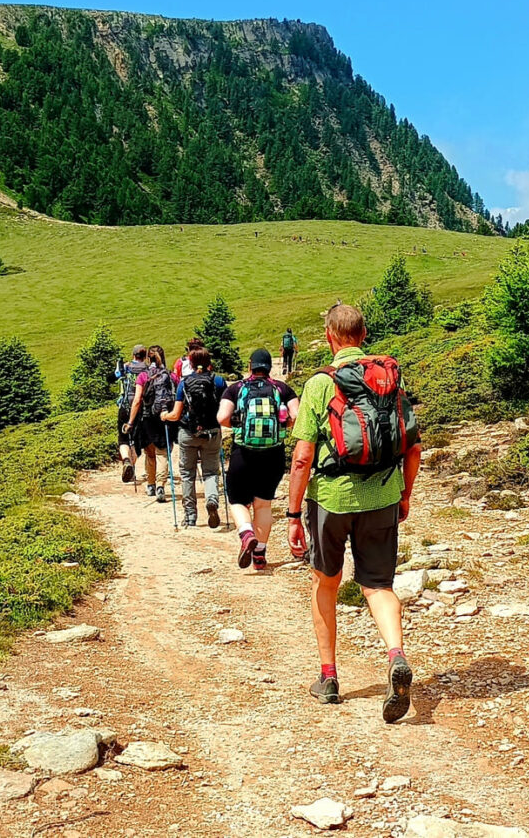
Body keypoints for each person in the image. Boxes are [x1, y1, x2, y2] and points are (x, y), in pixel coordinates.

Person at [284, 303, 422, 722]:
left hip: (331, 501)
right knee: (378, 586)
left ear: (330, 336)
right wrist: (404, 496)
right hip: (382, 496)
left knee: (326, 583)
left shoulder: (321, 385)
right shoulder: (389, 380)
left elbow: (303, 456)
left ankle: (328, 679)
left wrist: (292, 514)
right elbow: (413, 447)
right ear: (363, 335)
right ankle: (396, 655)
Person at [218, 348, 299, 571]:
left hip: (242, 453)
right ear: (269, 368)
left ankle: (246, 535)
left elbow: (222, 417)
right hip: (273, 455)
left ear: (250, 366)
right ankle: (260, 555)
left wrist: (237, 425)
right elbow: (296, 417)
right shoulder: (282, 388)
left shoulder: (236, 389)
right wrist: (283, 425)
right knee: (263, 505)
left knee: (236, 500)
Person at [162, 348, 226, 528]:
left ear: (190, 363)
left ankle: (190, 516)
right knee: (211, 472)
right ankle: (212, 500)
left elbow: (175, 414)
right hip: (212, 432)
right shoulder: (219, 381)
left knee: (187, 474)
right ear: (209, 363)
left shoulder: (185, 383)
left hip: (188, 433)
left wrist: (165, 416)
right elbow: (227, 408)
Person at [126, 345, 175, 502]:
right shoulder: (171, 375)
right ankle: (161, 485)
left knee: (150, 453)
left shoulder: (144, 375)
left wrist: (130, 422)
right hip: (164, 417)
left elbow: (137, 400)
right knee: (163, 452)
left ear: (149, 358)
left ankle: (151, 484)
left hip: (147, 418)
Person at [115, 345, 150, 484]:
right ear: (144, 355)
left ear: (133, 355)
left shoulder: (125, 367)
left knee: (123, 438)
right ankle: (132, 467)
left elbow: (112, 377)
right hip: (141, 408)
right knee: (136, 440)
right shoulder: (148, 370)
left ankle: (126, 461)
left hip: (124, 406)